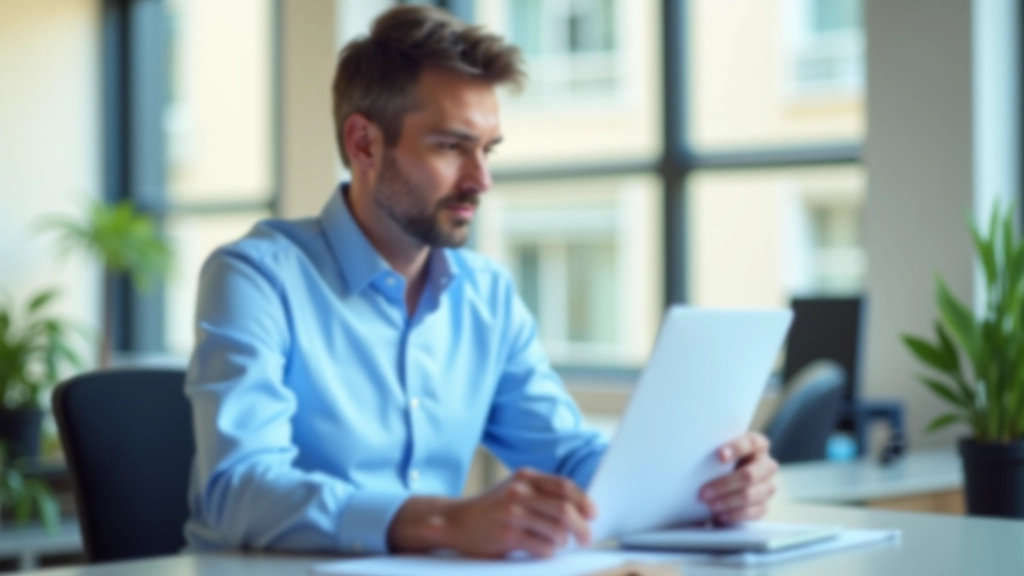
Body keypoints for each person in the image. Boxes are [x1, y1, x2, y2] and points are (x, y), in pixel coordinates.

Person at [184, 5, 778, 559]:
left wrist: (702, 482)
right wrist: (444, 521)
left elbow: (568, 454)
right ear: (364, 143)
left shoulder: (486, 294)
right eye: (451, 147)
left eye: (488, 150)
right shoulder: (257, 278)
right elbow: (238, 489)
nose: (481, 180)